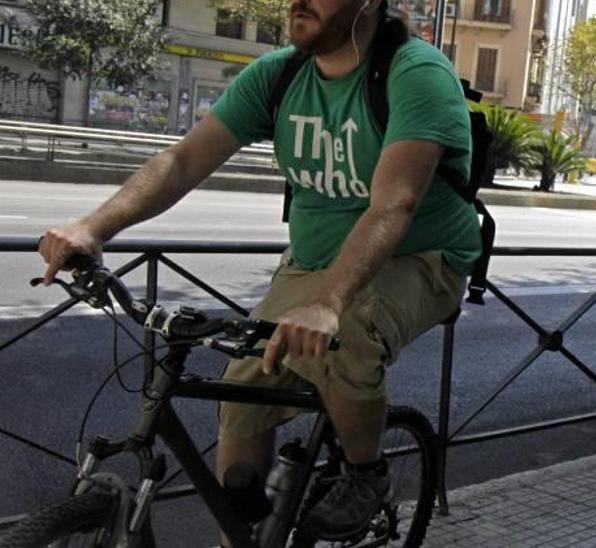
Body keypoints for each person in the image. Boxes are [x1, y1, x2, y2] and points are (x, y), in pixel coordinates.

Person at [36, 0, 480, 542]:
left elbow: (395, 204)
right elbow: (182, 162)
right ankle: (242, 538)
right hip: (315, 263)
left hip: (420, 258)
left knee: (349, 336)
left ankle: (366, 474)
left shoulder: (416, 74)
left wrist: (327, 302)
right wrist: (93, 228)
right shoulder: (279, 75)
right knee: (243, 382)